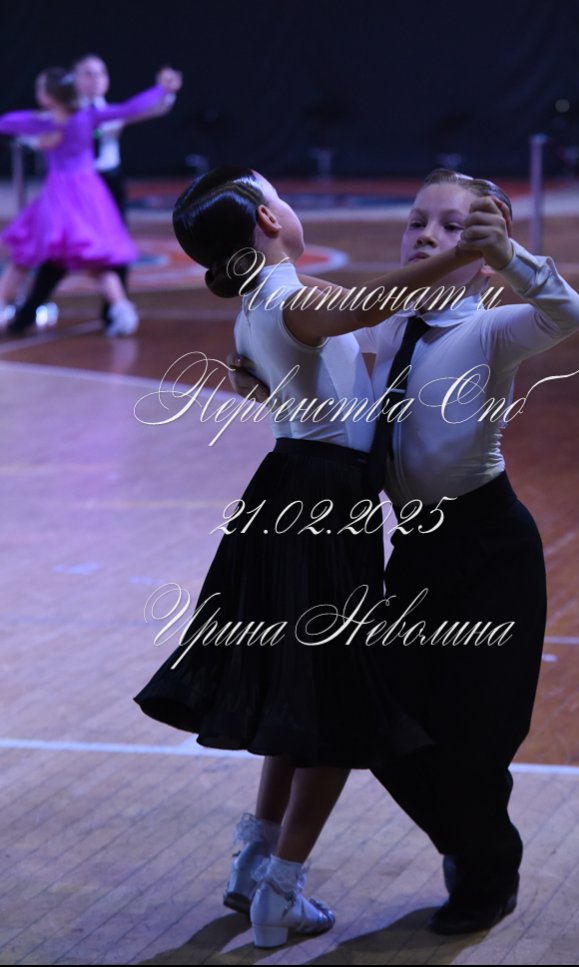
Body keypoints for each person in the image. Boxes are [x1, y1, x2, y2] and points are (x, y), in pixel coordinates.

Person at [228, 168, 579, 935]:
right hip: (414, 552)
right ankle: (469, 842)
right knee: (376, 725)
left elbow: (568, 311)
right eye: (418, 220)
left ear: (483, 251)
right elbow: (325, 376)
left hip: (491, 550)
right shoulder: (385, 325)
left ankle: (486, 874)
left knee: (478, 737)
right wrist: (267, 377)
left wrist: (514, 256)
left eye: (452, 226)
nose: (427, 234)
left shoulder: (491, 329)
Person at [133, 167, 476, 948]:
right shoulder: (291, 301)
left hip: (290, 491)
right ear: (268, 216)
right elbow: (375, 303)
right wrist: (463, 252)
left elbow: (294, 372)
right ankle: (279, 893)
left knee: (304, 688)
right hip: (323, 505)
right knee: (339, 708)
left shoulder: (262, 300)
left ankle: (255, 858)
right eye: (279, 195)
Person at [0, 66, 181, 336]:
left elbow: (6, 122)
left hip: (59, 198)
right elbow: (130, 108)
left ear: (48, 96)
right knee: (95, 260)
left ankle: (6, 304)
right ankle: (122, 311)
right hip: (88, 195)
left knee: (25, 254)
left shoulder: (47, 122)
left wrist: (34, 135)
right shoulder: (85, 117)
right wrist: (161, 89)